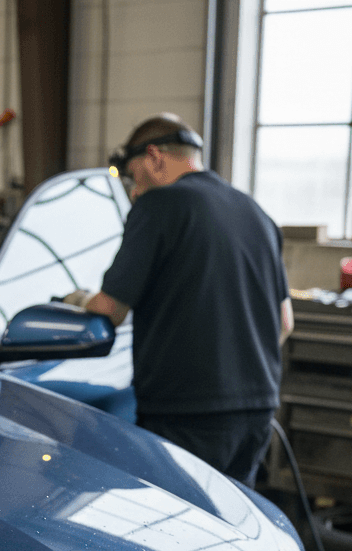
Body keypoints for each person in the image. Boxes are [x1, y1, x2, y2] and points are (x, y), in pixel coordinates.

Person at [64, 113, 293, 488]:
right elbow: (284, 323)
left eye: (134, 176)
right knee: (232, 531)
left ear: (154, 157)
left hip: (187, 416)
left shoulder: (159, 206)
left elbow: (111, 309)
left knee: (178, 535)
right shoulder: (257, 214)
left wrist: (78, 298)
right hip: (257, 412)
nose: (134, 190)